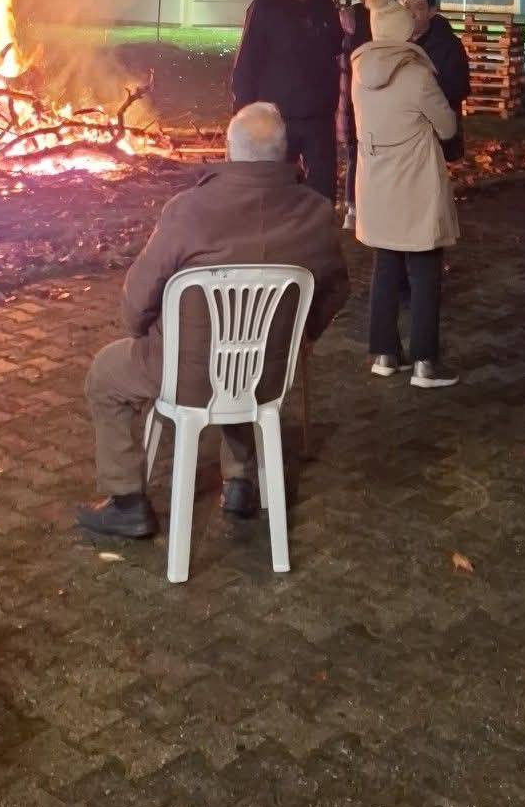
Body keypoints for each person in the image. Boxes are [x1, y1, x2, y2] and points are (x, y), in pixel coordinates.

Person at [78, 103, 350, 537]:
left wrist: (144, 335)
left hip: (186, 373)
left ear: (228, 150)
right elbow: (336, 290)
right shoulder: (316, 213)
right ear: (285, 153)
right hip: (268, 374)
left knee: (105, 376)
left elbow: (136, 300)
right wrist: (298, 338)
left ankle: (126, 500)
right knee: (245, 353)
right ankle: (240, 479)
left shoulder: (189, 209)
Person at [352, 0, 461, 388]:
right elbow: (447, 127)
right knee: (425, 273)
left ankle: (384, 353)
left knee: (386, 268)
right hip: (416, 185)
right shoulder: (416, 75)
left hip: (377, 184)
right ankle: (425, 363)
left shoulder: (359, 71)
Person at [231, 0, 343, 202]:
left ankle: (318, 236)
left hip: (319, 117)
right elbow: (246, 63)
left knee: (322, 191)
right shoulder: (265, 8)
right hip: (279, 119)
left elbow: (336, 48)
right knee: (275, 190)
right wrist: (243, 115)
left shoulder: (324, 5)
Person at [338, 0, 398, 231]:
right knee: (361, 153)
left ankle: (355, 208)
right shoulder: (384, 21)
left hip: (355, 95)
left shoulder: (352, 17)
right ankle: (356, 206)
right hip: (363, 96)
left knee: (359, 153)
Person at [402, 0, 472, 158]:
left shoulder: (449, 45)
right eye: (406, 7)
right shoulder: (398, 43)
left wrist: (428, 92)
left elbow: (460, 88)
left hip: (437, 134)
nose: (411, 13)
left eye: (419, 7)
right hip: (407, 133)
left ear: (432, 12)